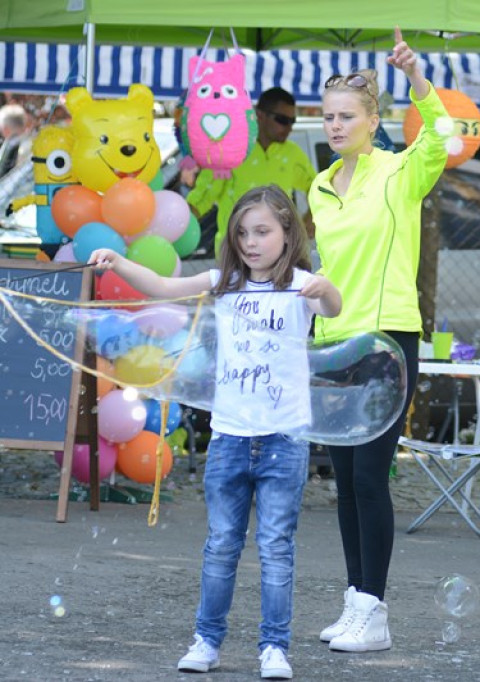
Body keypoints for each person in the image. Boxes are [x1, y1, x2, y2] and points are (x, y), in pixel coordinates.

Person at [89, 185, 342, 680]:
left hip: (284, 442)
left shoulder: (302, 286)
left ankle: (274, 647)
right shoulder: (224, 282)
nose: (251, 242)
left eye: (263, 232)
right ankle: (207, 639)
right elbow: (162, 287)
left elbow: (333, 307)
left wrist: (325, 289)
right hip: (228, 439)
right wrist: (118, 261)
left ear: (288, 234)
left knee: (275, 545)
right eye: (243, 233)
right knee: (222, 543)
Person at [310, 27, 449, 654]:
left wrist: (419, 79)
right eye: (329, 116)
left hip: (387, 339)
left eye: (347, 116)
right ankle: (355, 599)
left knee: (370, 477)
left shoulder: (400, 173)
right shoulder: (318, 186)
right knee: (345, 480)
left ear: (373, 121)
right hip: (332, 343)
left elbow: (442, 139)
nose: (336, 126)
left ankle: (376, 609)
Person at [187, 87, 316, 258]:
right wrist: (178, 223)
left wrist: (311, 219)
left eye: (292, 121)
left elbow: (318, 188)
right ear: (260, 115)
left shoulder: (293, 154)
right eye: (282, 120)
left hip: (280, 258)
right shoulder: (231, 150)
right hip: (236, 256)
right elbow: (201, 199)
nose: (289, 127)